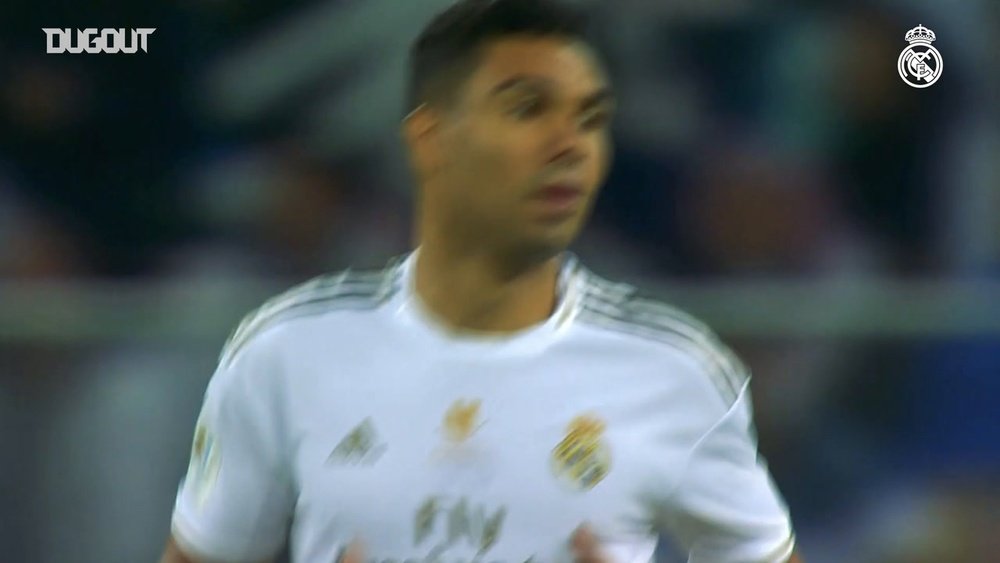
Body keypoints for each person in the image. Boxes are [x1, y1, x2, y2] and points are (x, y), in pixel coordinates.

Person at [160, 1, 803, 561]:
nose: (569, 144)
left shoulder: (674, 369)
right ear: (429, 140)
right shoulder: (283, 354)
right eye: (527, 109)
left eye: (590, 118)